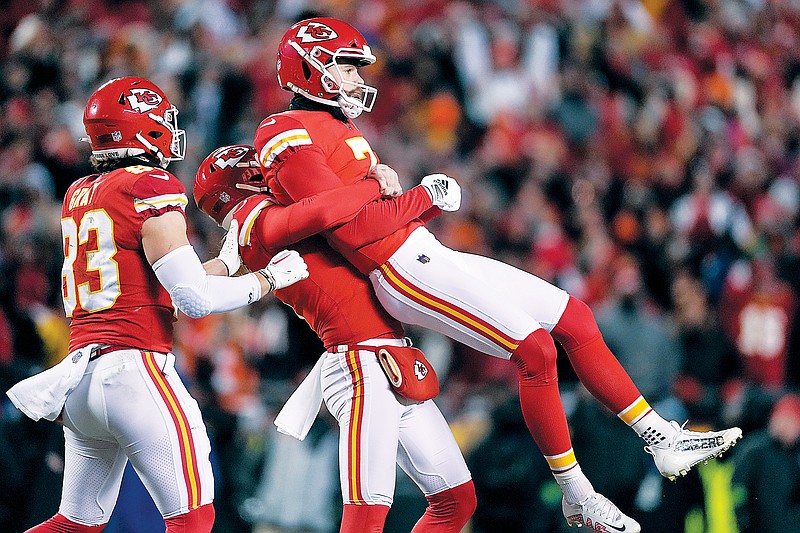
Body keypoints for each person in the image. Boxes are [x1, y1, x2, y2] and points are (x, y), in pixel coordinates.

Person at [254, 17, 745, 532]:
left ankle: (658, 435)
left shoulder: (335, 127)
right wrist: (421, 198)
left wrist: (398, 196)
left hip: (423, 252)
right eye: (346, 67)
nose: (357, 80)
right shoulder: (286, 132)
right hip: (399, 269)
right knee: (536, 350)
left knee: (574, 317)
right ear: (310, 69)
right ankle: (577, 494)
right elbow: (351, 232)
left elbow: (359, 211)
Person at [5, 77, 309, 533]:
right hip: (136, 371)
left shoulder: (81, 193)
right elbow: (193, 299)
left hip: (81, 379)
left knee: (73, 524)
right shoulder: (149, 185)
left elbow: (156, 281)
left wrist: (228, 264)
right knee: (194, 520)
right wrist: (267, 279)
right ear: (142, 127)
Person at [193, 144, 477, 532]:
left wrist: (420, 206)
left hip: (387, 356)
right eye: (258, 167)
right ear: (244, 181)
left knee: (455, 500)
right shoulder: (260, 221)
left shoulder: (252, 229)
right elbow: (329, 209)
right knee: (366, 515)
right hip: (360, 364)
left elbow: (361, 230)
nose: (271, 171)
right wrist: (400, 189)